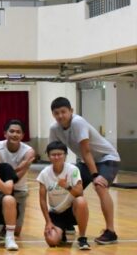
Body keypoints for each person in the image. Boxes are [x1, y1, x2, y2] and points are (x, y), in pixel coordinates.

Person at [49, 97, 120, 245]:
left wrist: (95, 175)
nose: (60, 116)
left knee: (100, 186)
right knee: (68, 185)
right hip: (86, 161)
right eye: (56, 113)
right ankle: (67, 223)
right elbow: (55, 150)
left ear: (71, 111)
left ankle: (111, 231)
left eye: (63, 112)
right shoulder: (54, 129)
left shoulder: (78, 122)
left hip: (107, 158)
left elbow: (86, 151)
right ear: (53, 114)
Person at [37, 142, 90, 250]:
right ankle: (62, 233)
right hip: (56, 212)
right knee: (52, 241)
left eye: (59, 154)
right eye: (53, 154)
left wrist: (67, 186)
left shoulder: (73, 170)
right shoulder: (44, 174)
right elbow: (42, 200)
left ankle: (82, 238)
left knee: (81, 201)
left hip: (72, 211)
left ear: (65, 155)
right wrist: (48, 222)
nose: (56, 157)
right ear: (48, 156)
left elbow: (80, 193)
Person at [0, 119, 35, 236]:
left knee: (16, 232)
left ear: (22, 135)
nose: (15, 134)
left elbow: (17, 178)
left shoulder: (29, 151)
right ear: (5, 133)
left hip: (19, 190)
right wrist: (18, 168)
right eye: (11, 131)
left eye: (18, 132)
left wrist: (21, 169)